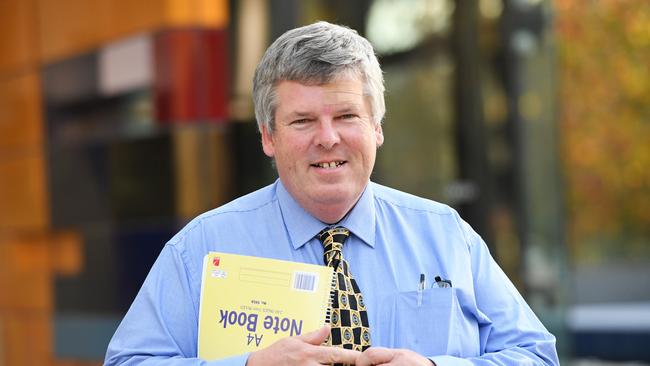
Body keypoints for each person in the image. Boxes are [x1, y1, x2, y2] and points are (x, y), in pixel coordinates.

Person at [105, 21, 559, 366]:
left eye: (346, 116)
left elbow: (537, 355)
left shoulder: (447, 235)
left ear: (376, 127)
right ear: (268, 136)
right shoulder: (200, 249)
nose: (328, 138)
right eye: (303, 121)